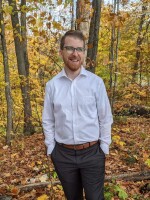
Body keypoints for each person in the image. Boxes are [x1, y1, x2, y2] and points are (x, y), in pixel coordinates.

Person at [42, 30, 113, 200]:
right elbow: (48, 119)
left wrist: (104, 147)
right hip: (63, 155)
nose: (75, 53)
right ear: (61, 52)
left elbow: (105, 117)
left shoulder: (95, 82)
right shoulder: (52, 86)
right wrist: (51, 148)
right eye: (70, 48)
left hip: (92, 153)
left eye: (79, 49)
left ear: (83, 53)